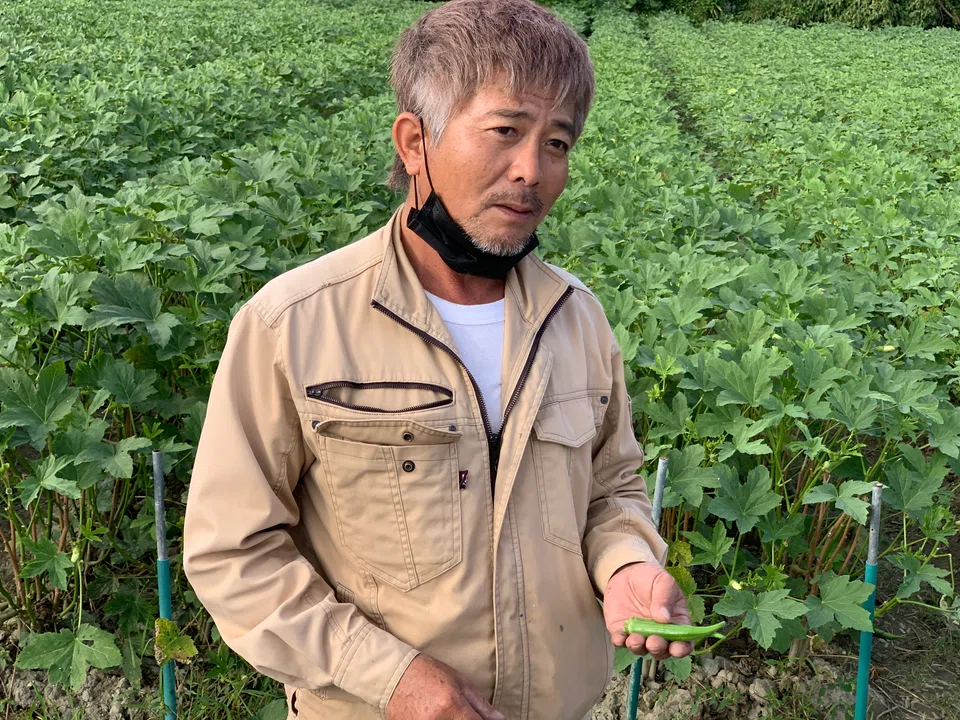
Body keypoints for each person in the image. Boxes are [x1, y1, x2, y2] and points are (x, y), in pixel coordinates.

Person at [182, 1, 693, 718]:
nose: (533, 170)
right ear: (415, 142)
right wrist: (394, 678)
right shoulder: (293, 324)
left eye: (557, 143)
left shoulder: (577, 320)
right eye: (506, 131)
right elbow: (232, 554)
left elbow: (611, 489)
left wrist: (628, 563)